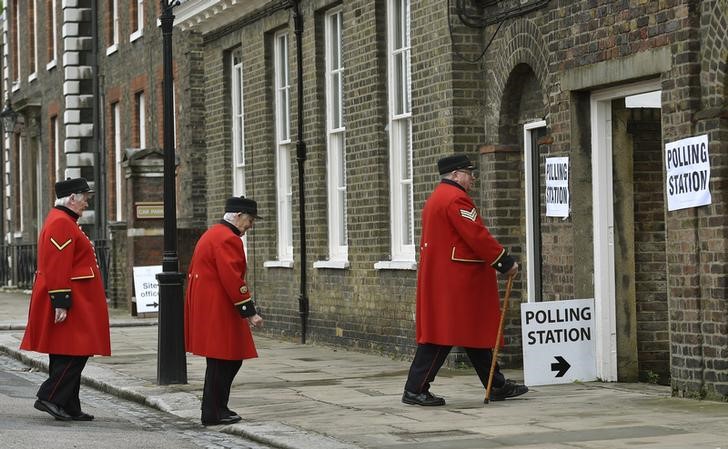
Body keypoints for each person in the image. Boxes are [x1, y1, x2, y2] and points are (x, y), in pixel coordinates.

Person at [402, 154, 528, 406]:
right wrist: (504, 262)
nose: (473, 179)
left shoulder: (437, 197)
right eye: (469, 174)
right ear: (456, 175)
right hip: (457, 281)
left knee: (473, 332)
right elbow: (477, 236)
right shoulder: (457, 199)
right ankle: (415, 389)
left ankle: (496, 385)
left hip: (446, 278)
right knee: (441, 335)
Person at [20, 177, 111, 421]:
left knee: (66, 351)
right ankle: (50, 397)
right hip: (72, 300)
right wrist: (60, 301)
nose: (87, 203)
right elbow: (57, 265)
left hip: (77, 298)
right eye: (85, 198)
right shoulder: (61, 223)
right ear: (72, 198)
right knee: (74, 352)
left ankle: (70, 404)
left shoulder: (65, 221)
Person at [185, 196, 264, 426]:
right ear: (238, 215)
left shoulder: (213, 233)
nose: (251, 225)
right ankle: (213, 411)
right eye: (250, 219)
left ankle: (216, 408)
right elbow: (233, 278)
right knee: (225, 360)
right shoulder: (229, 239)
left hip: (210, 304)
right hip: (219, 307)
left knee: (223, 360)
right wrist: (250, 311)